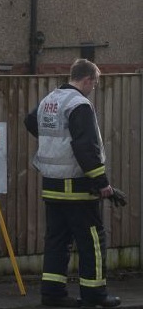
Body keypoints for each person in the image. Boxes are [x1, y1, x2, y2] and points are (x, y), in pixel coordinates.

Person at [25, 59, 121, 308]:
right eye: (95, 83)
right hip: (78, 188)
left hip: (52, 186)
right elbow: (86, 147)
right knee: (93, 241)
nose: (94, 88)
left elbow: (29, 121)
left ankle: (53, 295)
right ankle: (95, 295)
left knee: (57, 240)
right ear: (87, 79)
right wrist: (103, 183)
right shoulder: (79, 104)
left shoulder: (50, 100)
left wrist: (54, 143)